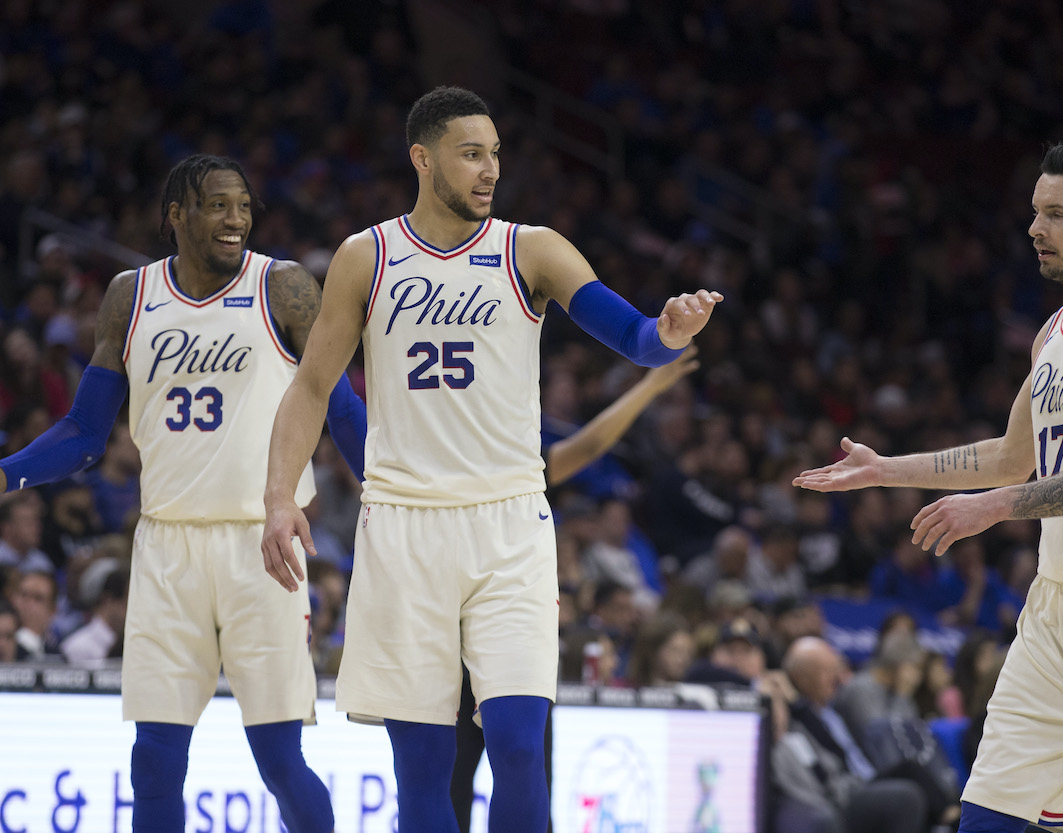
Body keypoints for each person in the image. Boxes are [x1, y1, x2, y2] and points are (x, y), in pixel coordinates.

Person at [261, 86, 721, 833]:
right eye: (471, 153)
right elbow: (312, 385)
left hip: (510, 523)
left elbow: (632, 334)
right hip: (405, 523)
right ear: (423, 157)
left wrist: (667, 333)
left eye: (496, 154)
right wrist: (281, 497)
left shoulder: (531, 248)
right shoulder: (366, 256)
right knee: (422, 771)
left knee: (516, 744)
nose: (489, 170)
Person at [795, 143, 1063, 833]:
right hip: (1055, 603)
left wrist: (994, 510)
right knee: (992, 811)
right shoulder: (1052, 332)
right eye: (1034, 212)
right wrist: (887, 468)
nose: (1035, 228)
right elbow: (1009, 456)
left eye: (1056, 214)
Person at [0, 153, 368, 833]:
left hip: (264, 544)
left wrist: (384, 495)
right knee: (155, 758)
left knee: (279, 757)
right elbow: (85, 432)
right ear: (177, 215)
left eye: (244, 207)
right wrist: (7, 471)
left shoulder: (282, 286)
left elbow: (340, 407)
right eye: (217, 206)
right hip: (167, 544)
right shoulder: (129, 295)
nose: (235, 220)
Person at [452, 346, 699, 832]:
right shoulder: (428, 466)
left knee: (525, 778)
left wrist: (648, 388)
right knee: (449, 787)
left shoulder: (517, 461)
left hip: (513, 634)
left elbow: (586, 448)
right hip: (449, 636)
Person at [771, 636, 928, 833]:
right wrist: (793, 703)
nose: (837, 678)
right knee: (907, 796)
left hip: (861, 779)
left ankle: (952, 816)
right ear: (801, 677)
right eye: (826, 671)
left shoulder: (829, 712)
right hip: (841, 792)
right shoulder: (796, 717)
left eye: (835, 669)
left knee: (912, 771)